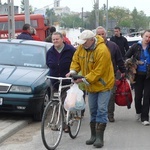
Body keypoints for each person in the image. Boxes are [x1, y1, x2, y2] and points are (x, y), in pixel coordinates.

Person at [66, 30, 114, 148]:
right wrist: (73, 72)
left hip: (104, 84)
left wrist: (83, 79)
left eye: (84, 42)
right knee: (93, 110)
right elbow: (76, 60)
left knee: (101, 110)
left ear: (91, 40)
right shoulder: (82, 48)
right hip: (91, 85)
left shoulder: (102, 50)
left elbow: (99, 71)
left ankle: (99, 138)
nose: (82, 44)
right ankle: (93, 135)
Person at [46, 32, 76, 132]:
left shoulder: (70, 50)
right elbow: (48, 63)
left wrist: (73, 73)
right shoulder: (50, 51)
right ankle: (56, 121)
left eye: (57, 39)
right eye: (53, 39)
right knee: (55, 102)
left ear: (62, 39)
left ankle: (66, 123)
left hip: (67, 80)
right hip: (55, 81)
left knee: (65, 102)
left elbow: (77, 62)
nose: (55, 41)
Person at [96, 26, 126, 122]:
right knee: (97, 95)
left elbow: (119, 60)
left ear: (106, 34)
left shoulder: (113, 46)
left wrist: (123, 71)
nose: (101, 36)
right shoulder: (92, 46)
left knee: (111, 95)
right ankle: (99, 115)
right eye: (98, 34)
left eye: (102, 34)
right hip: (96, 75)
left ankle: (110, 115)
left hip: (111, 74)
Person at [125, 29, 150, 126]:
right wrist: (133, 63)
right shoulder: (135, 46)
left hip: (148, 75)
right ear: (142, 36)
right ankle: (138, 112)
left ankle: (145, 117)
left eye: (149, 37)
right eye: (146, 36)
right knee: (138, 96)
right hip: (137, 75)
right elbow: (126, 57)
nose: (148, 39)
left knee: (147, 96)